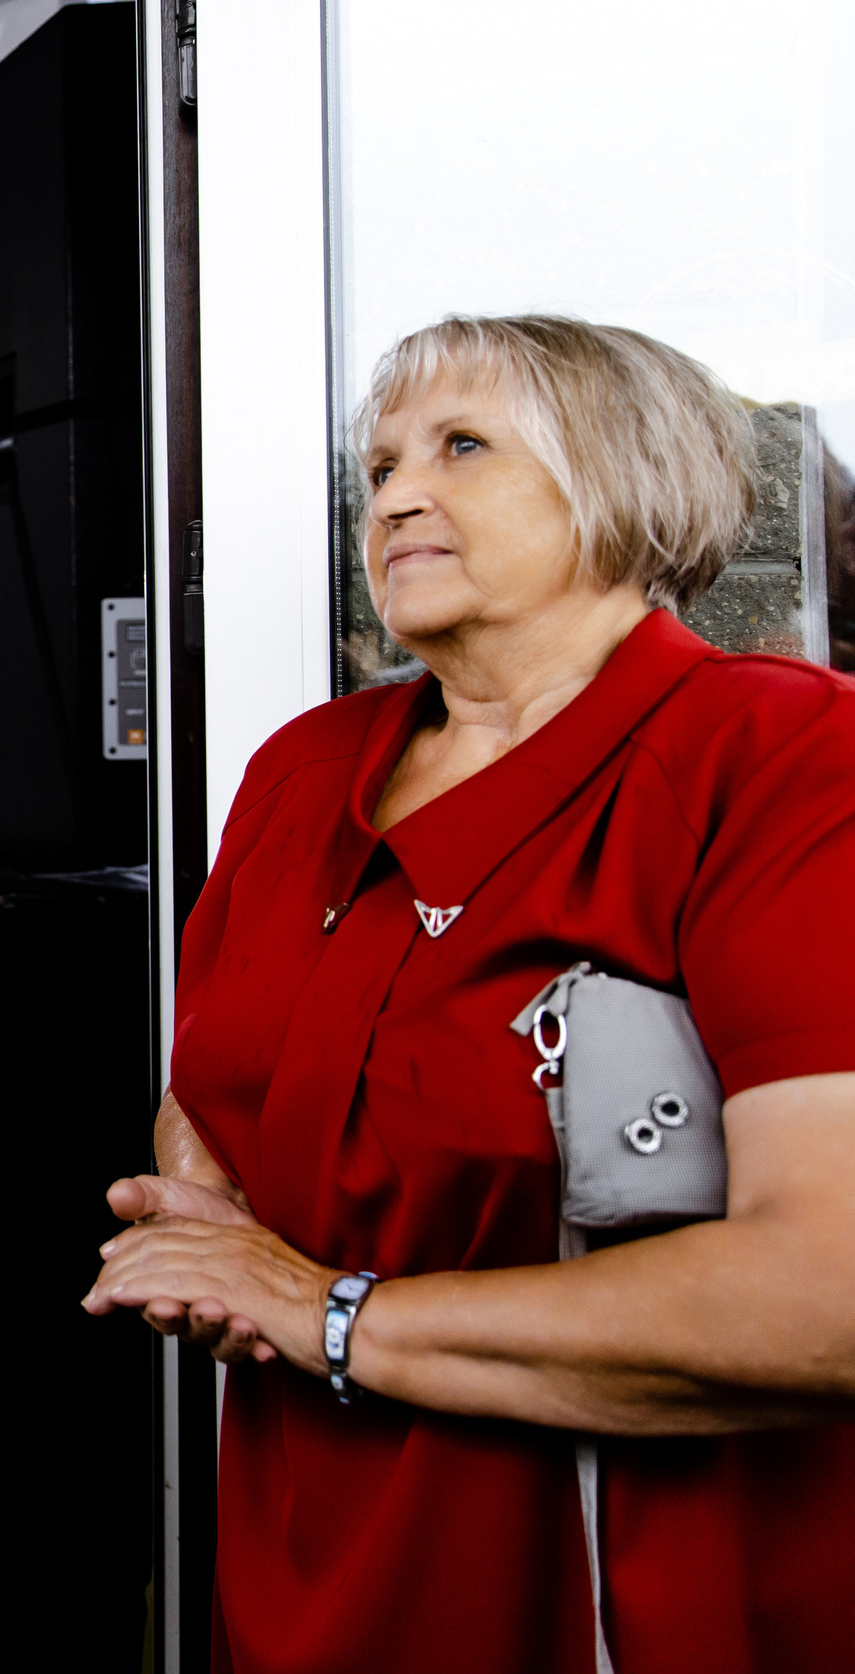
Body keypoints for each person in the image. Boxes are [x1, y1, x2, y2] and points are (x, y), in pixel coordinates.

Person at [83, 315, 855, 1673]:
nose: (394, 493)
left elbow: (821, 1291)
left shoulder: (782, 755)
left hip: (619, 1593)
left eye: (459, 446)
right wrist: (205, 1200)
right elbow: (210, 1081)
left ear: (618, 477)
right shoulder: (302, 768)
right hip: (301, 1557)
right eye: (377, 464)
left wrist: (323, 1306)